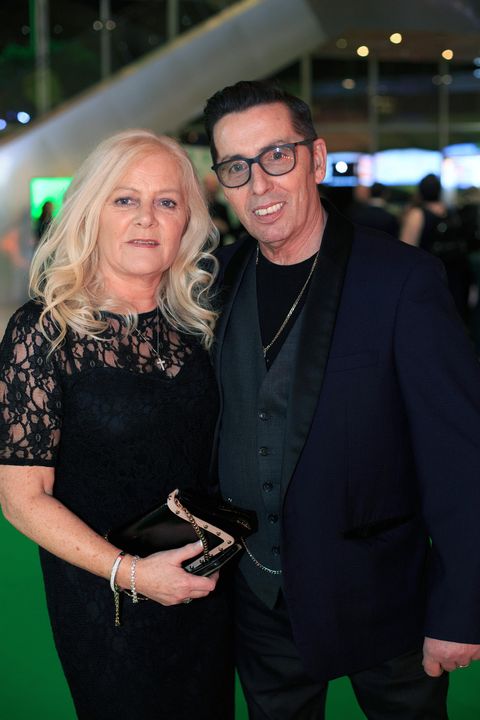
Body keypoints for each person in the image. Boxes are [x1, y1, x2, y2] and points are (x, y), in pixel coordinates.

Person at [203, 80, 480, 719]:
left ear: (317, 158)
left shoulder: (402, 280)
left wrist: (463, 607)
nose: (260, 185)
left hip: (384, 599)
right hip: (258, 602)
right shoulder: (214, 284)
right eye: (237, 168)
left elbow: (460, 457)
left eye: (278, 156)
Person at [0, 129, 234, 720]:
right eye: (124, 199)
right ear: (91, 212)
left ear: (188, 222)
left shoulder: (200, 328)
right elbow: (22, 499)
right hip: (107, 601)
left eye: (167, 201)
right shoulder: (44, 332)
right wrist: (131, 574)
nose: (146, 219)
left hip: (204, 591)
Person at [400, 173, 472, 321]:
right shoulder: (452, 213)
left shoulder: (417, 215)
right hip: (455, 277)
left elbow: (405, 249)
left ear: (420, 192)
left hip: (428, 279)